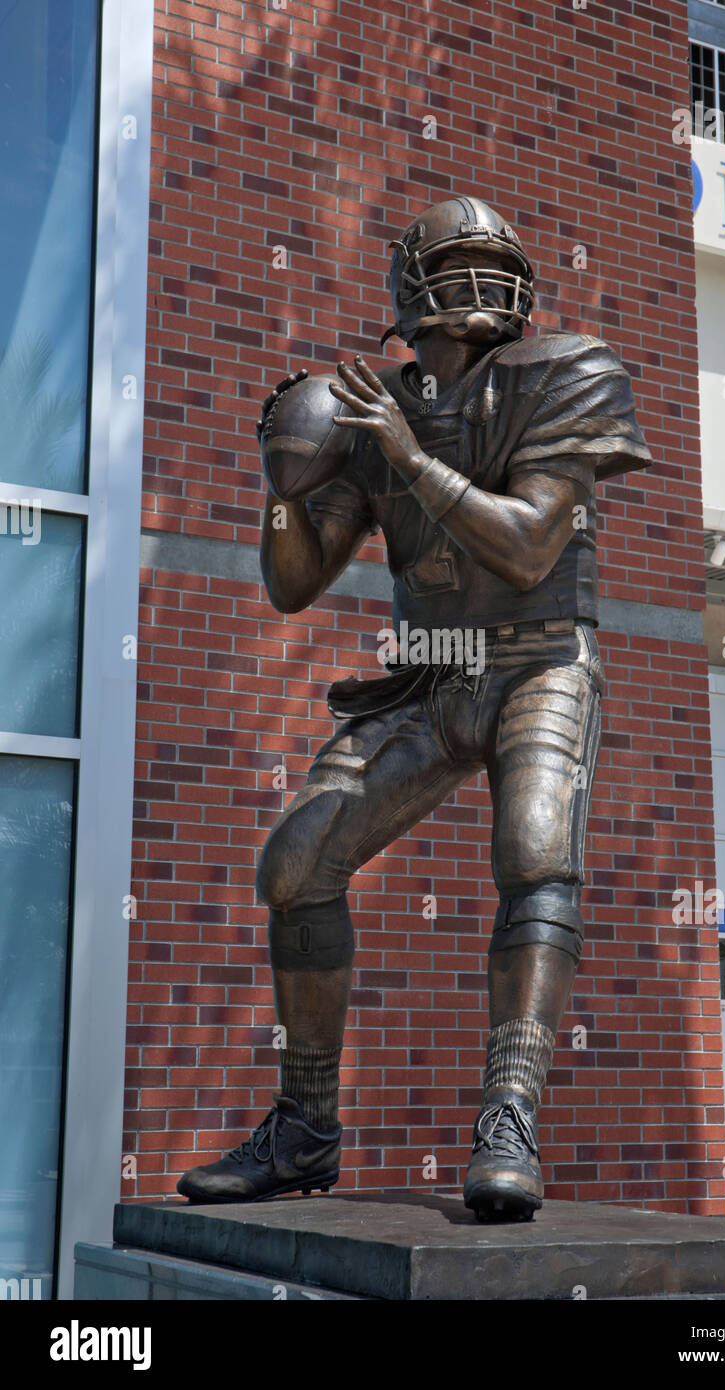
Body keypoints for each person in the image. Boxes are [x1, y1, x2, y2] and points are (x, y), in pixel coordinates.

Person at [177, 195, 651, 1221]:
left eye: (495, 262)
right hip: (433, 668)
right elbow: (292, 585)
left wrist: (403, 454)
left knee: (533, 849)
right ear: (410, 290)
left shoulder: (562, 372)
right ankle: (302, 1125)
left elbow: (528, 545)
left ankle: (508, 1117)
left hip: (538, 658)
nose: (481, 280)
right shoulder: (369, 402)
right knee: (294, 865)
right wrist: (283, 483)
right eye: (458, 262)